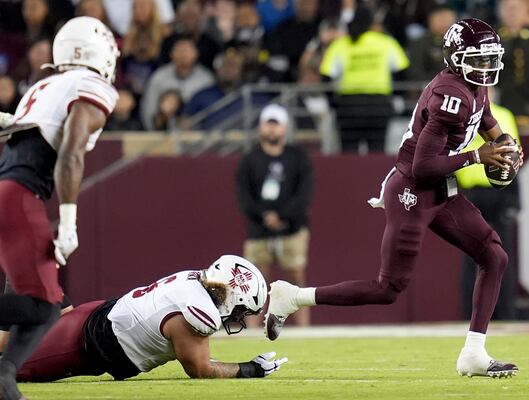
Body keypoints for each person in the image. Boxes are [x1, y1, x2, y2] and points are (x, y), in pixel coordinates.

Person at [265, 18, 523, 378]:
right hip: (412, 192)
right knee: (388, 289)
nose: (486, 68)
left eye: (490, 59)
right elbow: (423, 167)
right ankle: (292, 297)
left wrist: (504, 141)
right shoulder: (449, 96)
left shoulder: (471, 87)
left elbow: (484, 116)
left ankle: (474, 353)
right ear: (456, 57)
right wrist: (478, 156)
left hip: (440, 188)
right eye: (478, 60)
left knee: (494, 255)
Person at [0, 16, 119, 400]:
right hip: (19, 195)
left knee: (42, 304)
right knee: (43, 306)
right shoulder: (91, 85)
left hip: (10, 190)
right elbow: (70, 153)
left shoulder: (43, 86)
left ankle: (4, 378)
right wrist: (69, 221)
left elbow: (25, 133)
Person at [16, 255, 287, 382]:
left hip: (100, 316)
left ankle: (36, 283)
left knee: (16, 338)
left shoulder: (195, 278)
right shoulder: (196, 314)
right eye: (241, 310)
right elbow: (201, 370)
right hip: (84, 343)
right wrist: (251, 369)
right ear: (230, 299)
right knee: (13, 369)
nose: (239, 317)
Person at [236, 104, 313, 328]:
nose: (271, 130)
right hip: (258, 230)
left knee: (296, 280)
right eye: (267, 125)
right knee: (255, 283)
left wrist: (283, 216)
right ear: (260, 127)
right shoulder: (249, 160)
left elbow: (304, 193)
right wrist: (264, 217)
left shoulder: (298, 158)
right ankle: (251, 331)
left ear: (284, 128)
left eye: (276, 125)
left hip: (292, 228)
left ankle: (304, 331)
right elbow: (243, 195)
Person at [455, 89, 520, 321]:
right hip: (472, 190)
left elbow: (514, 155)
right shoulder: (465, 114)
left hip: (498, 191)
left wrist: (514, 194)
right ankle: (471, 315)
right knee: (472, 256)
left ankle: (505, 314)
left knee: (502, 254)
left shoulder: (503, 114)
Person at [320, 6, 409, 153]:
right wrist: (398, 96)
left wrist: (333, 102)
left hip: (348, 106)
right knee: (377, 152)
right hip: (379, 104)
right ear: (372, 23)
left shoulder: (340, 44)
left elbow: (326, 75)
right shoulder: (385, 42)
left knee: (348, 154)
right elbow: (402, 69)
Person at [140, 37, 215, 130]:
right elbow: (148, 109)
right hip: (162, 135)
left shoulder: (206, 79)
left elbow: (212, 111)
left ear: (196, 54)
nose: (183, 54)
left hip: (197, 136)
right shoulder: (159, 76)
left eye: (187, 50)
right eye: (179, 50)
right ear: (171, 54)